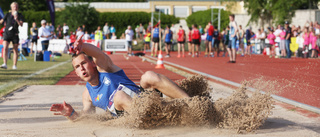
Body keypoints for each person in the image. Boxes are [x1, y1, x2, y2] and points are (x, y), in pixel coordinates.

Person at [49, 35, 190, 119]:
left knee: (148, 76)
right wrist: (71, 113)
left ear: (92, 63)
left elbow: (99, 54)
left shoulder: (106, 68)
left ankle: (191, 104)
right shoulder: (87, 95)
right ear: (76, 73)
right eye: (78, 67)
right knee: (119, 96)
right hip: (133, 116)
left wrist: (83, 46)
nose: (82, 68)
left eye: (84, 63)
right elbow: (87, 117)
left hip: (146, 100)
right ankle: (155, 119)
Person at [0, 2, 24, 69]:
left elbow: (21, 25)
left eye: (16, 6)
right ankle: (5, 63)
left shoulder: (20, 15)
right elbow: (1, 21)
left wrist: (17, 19)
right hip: (7, 33)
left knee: (15, 49)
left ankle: (14, 65)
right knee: (5, 48)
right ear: (11, 7)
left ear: (17, 7)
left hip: (15, 34)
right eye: (14, 6)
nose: (15, 7)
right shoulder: (7, 14)